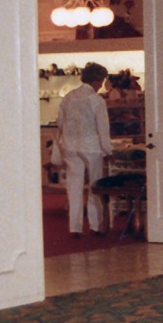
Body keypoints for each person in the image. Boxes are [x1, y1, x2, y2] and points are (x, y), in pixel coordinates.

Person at [57, 62, 112, 236]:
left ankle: (75, 227)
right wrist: (108, 150)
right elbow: (103, 128)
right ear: (97, 80)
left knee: (74, 186)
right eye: (102, 80)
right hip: (91, 146)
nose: (102, 85)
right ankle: (95, 225)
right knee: (95, 185)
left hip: (70, 145)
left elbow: (60, 123)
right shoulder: (96, 100)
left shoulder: (68, 97)